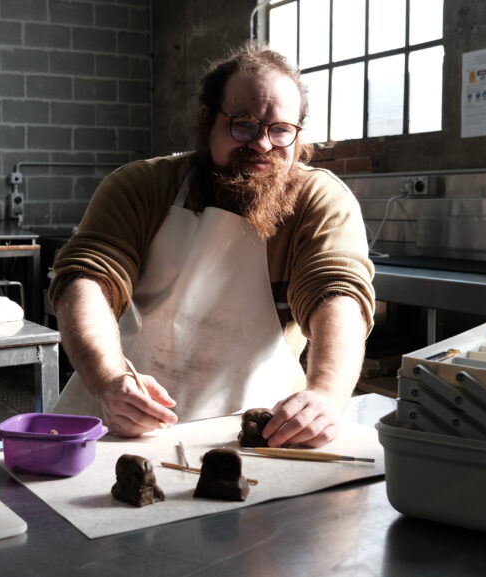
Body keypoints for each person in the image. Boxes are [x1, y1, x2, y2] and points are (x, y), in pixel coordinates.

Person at [48, 42, 375, 448]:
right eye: (243, 124)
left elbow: (337, 294)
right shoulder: (141, 185)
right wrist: (109, 380)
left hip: (252, 433)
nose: (262, 144)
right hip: (121, 418)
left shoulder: (319, 199)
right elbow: (86, 281)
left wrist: (326, 394)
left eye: (280, 130)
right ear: (207, 120)